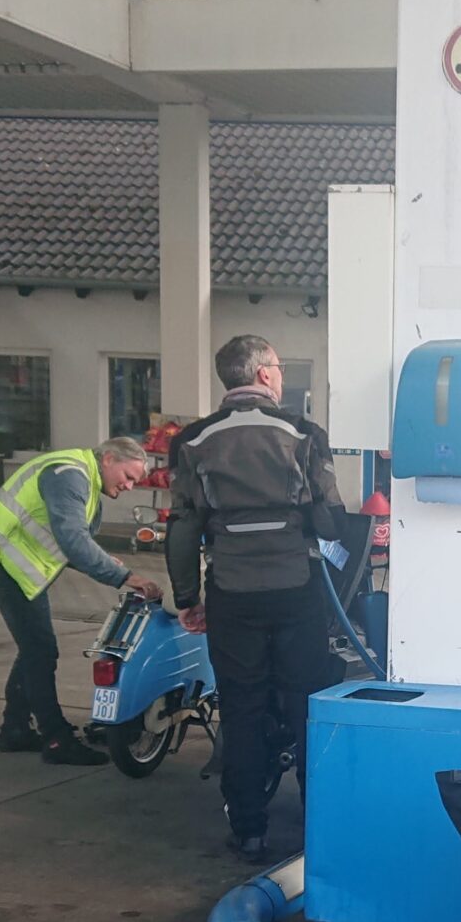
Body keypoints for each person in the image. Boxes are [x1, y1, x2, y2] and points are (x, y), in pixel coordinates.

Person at [167, 335, 347, 862]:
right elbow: (331, 518)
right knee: (305, 706)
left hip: (231, 593)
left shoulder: (193, 440)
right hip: (296, 591)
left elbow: (182, 527)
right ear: (266, 374)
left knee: (241, 708)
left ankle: (249, 829)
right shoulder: (303, 433)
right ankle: (319, 827)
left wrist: (187, 596)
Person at [0, 437, 159, 764]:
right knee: (40, 649)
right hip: (2, 559)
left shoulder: (81, 475)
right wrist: (124, 577)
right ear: (108, 459)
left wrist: (103, 560)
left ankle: (14, 729)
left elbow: (65, 536)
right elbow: (72, 539)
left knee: (34, 647)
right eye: (128, 477)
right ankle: (56, 739)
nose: (129, 486)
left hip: (13, 562)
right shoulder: (69, 474)